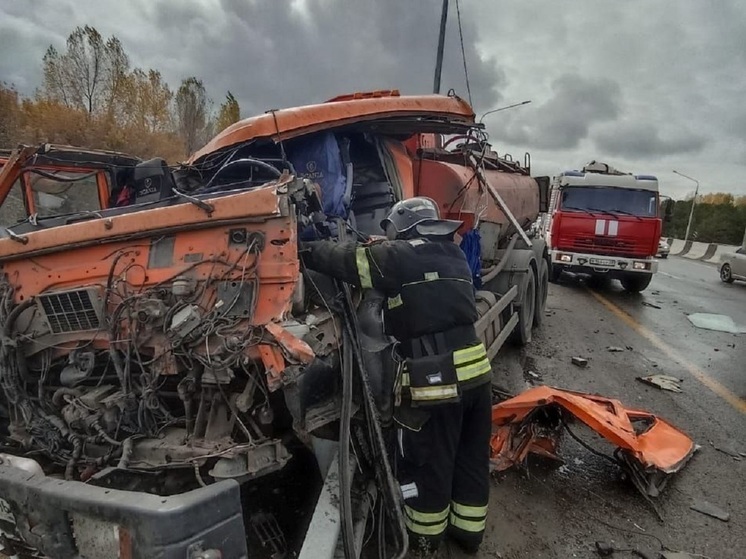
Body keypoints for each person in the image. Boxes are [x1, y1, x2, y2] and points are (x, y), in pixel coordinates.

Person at [300, 197, 492, 556]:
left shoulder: (400, 257)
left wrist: (305, 248)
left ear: (403, 229)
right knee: (470, 459)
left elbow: (347, 260)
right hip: (478, 377)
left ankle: (423, 540)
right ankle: (467, 535)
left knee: (428, 465)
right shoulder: (454, 255)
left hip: (438, 385)